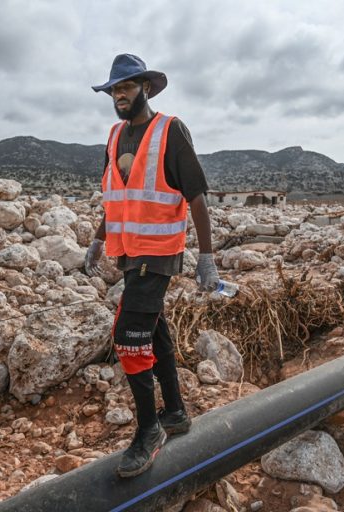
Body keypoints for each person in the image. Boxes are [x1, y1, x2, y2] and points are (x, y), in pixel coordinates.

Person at [85, 54, 220, 478]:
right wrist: (97, 238)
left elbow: (196, 195)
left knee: (128, 336)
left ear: (146, 87)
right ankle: (175, 413)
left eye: (126, 86)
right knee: (153, 328)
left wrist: (206, 257)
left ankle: (149, 430)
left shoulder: (169, 130)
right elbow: (116, 194)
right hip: (128, 254)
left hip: (158, 254)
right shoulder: (113, 136)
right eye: (113, 89)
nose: (118, 94)